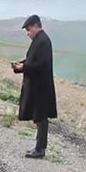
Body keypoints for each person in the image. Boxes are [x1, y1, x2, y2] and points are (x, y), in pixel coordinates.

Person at [12, 14, 57, 158]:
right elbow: (32, 60)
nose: (27, 33)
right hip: (38, 86)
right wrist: (22, 64)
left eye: (29, 29)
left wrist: (24, 67)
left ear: (36, 26)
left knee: (41, 117)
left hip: (41, 87)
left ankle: (40, 149)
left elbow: (40, 65)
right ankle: (38, 147)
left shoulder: (43, 41)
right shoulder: (39, 40)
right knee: (39, 117)